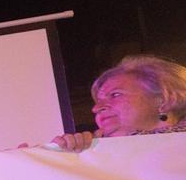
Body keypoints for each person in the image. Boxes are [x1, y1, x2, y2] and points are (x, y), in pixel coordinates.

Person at [44, 54, 186, 149]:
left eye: (115, 94)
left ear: (164, 99)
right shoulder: (95, 153)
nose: (96, 108)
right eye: (98, 100)